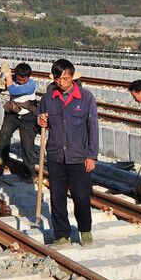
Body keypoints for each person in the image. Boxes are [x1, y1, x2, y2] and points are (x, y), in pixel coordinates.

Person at [36, 59, 99, 246]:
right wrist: (39, 120)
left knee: (81, 196)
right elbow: (37, 120)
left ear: (72, 76)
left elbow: (93, 128)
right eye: (58, 79)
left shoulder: (86, 98)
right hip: (56, 155)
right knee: (57, 196)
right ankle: (61, 234)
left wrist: (91, 156)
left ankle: (85, 229)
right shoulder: (48, 98)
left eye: (65, 78)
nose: (61, 83)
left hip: (79, 156)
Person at [0, 62, 39, 181]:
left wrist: (8, 75)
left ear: (28, 77)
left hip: (27, 117)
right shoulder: (12, 79)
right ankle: (2, 159)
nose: (22, 81)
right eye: (19, 79)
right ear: (16, 75)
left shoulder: (31, 85)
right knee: (3, 133)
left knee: (27, 146)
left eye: (24, 79)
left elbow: (13, 90)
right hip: (13, 115)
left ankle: (30, 174)